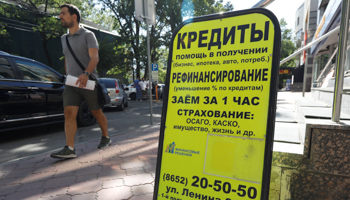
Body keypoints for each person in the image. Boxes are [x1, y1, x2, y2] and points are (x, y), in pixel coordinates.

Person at [51, 4, 111, 159]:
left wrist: (85, 73)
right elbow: (67, 59)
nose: (60, 16)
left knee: (96, 111)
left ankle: (105, 136)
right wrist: (67, 76)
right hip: (71, 83)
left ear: (74, 16)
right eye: (60, 14)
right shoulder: (64, 38)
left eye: (63, 13)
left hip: (88, 81)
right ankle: (69, 148)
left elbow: (95, 58)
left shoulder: (88, 35)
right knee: (69, 113)